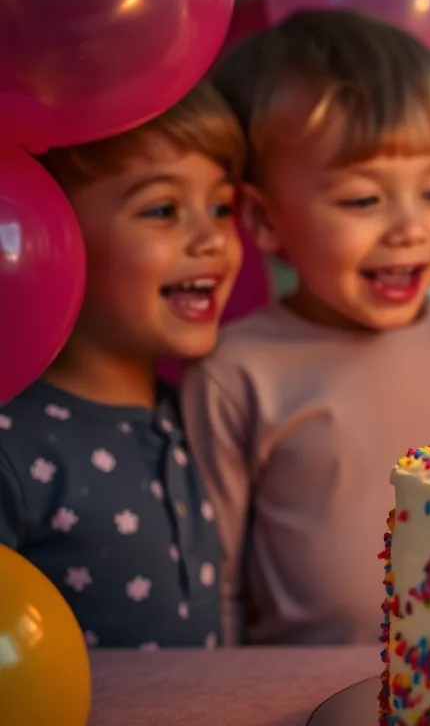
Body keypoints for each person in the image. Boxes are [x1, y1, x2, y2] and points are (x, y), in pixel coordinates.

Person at [182, 10, 430, 646]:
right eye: (363, 199)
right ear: (264, 219)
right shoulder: (234, 369)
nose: (409, 228)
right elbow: (212, 586)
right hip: (291, 696)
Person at [0, 82, 246, 648]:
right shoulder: (14, 449)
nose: (210, 239)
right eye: (163, 210)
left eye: (221, 208)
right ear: (50, 230)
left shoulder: (200, 416)